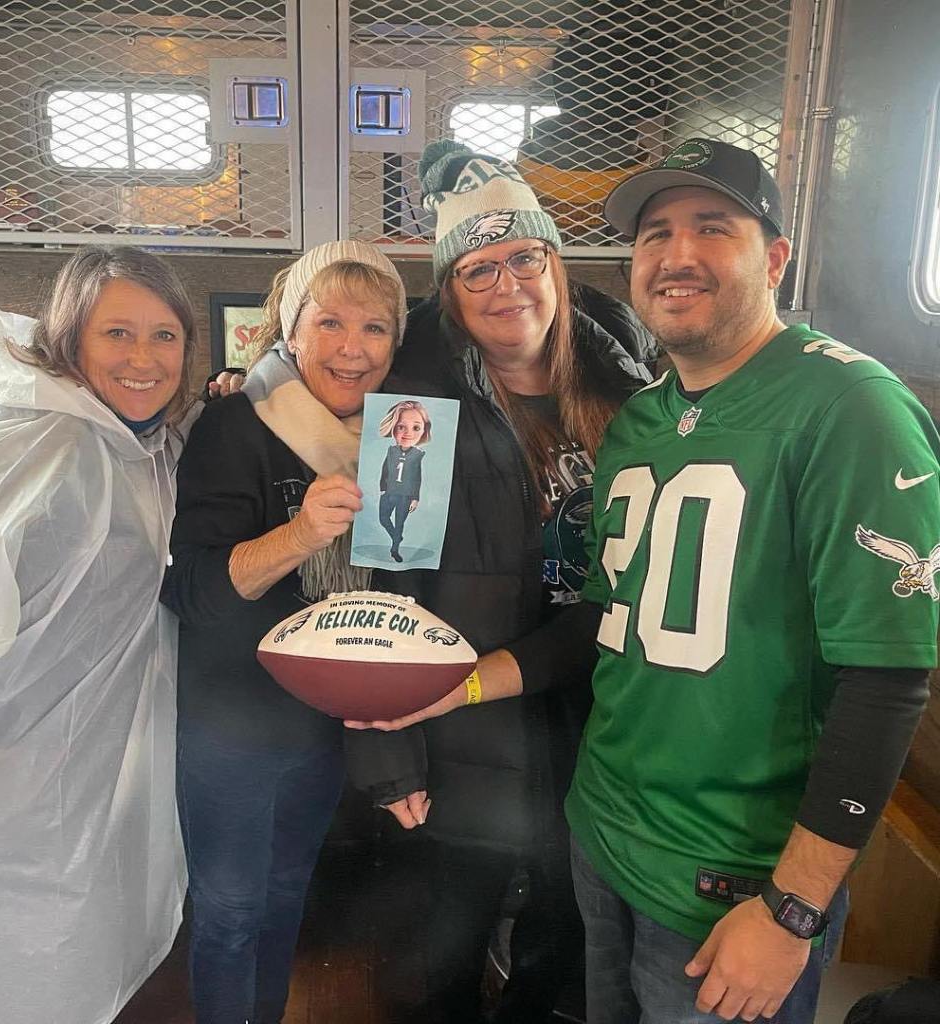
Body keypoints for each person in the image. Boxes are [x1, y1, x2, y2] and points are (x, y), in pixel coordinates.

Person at [364, 138, 940, 1024]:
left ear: (776, 256)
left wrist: (794, 908)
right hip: (598, 830)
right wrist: (434, 700)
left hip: (728, 877)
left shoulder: (848, 408)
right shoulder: (643, 420)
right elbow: (603, 617)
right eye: (654, 234)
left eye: (713, 227)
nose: (677, 254)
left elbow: (889, 677)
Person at [346, 139, 655, 1024]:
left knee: (569, 930)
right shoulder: (417, 401)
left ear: (554, 264)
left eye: (524, 256)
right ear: (450, 291)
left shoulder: (628, 384)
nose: (506, 284)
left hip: (601, 711)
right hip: (465, 713)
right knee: (449, 931)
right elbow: (381, 584)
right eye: (478, 268)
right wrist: (384, 749)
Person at [0, 246, 198, 1024]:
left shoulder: (136, 443)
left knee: (75, 963)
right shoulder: (36, 439)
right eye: (118, 334)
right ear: (71, 338)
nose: (143, 359)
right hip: (6, 787)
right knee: (17, 977)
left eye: (164, 335)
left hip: (86, 771)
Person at [159, 240, 407, 1024]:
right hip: (229, 721)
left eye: (376, 327)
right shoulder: (234, 422)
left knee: (285, 898)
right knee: (230, 912)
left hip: (323, 720)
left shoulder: (405, 438)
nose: (352, 347)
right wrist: (302, 534)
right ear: (290, 331)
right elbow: (192, 589)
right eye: (329, 321)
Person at [378, 399, 431, 562]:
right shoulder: (391, 450)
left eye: (416, 428)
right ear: (393, 429)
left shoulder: (417, 455)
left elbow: (417, 478)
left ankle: (395, 549)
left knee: (399, 522)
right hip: (390, 492)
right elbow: (385, 468)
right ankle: (397, 537)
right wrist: (382, 487)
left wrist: (415, 498)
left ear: (423, 431)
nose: (408, 433)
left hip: (405, 496)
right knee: (383, 519)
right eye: (401, 426)